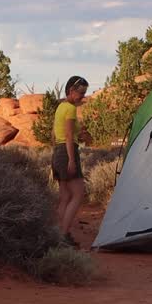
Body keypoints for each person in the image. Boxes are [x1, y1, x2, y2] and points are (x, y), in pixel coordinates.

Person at [52, 76, 89, 245]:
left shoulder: (60, 107)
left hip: (58, 152)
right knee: (78, 193)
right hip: (67, 152)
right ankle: (63, 236)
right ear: (71, 91)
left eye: (84, 93)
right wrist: (71, 161)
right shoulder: (71, 109)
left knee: (65, 196)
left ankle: (58, 234)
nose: (83, 96)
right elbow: (68, 135)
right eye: (81, 93)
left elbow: (54, 135)